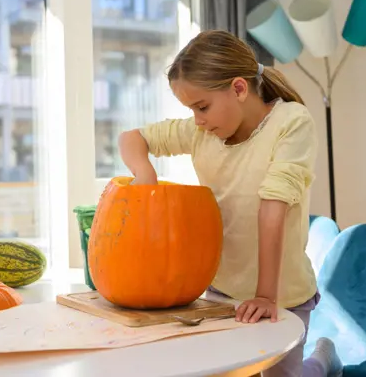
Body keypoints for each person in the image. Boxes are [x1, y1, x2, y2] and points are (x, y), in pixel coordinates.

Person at [118, 30, 343, 377]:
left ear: (238, 89)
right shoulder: (201, 132)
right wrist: (144, 172)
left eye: (202, 107)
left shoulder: (291, 122)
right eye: (191, 110)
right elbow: (132, 138)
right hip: (222, 290)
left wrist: (266, 296)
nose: (198, 119)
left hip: (282, 293)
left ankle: (323, 361)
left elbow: (273, 207)